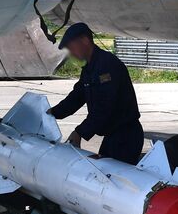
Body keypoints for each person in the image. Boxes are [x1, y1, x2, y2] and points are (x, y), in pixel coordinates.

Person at [49, 23, 144, 163]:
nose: (71, 52)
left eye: (71, 47)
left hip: (125, 137)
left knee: (112, 178)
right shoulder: (90, 68)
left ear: (85, 41)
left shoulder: (107, 65)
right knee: (102, 171)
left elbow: (105, 107)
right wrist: (52, 113)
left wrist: (80, 132)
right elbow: (76, 97)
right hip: (113, 136)